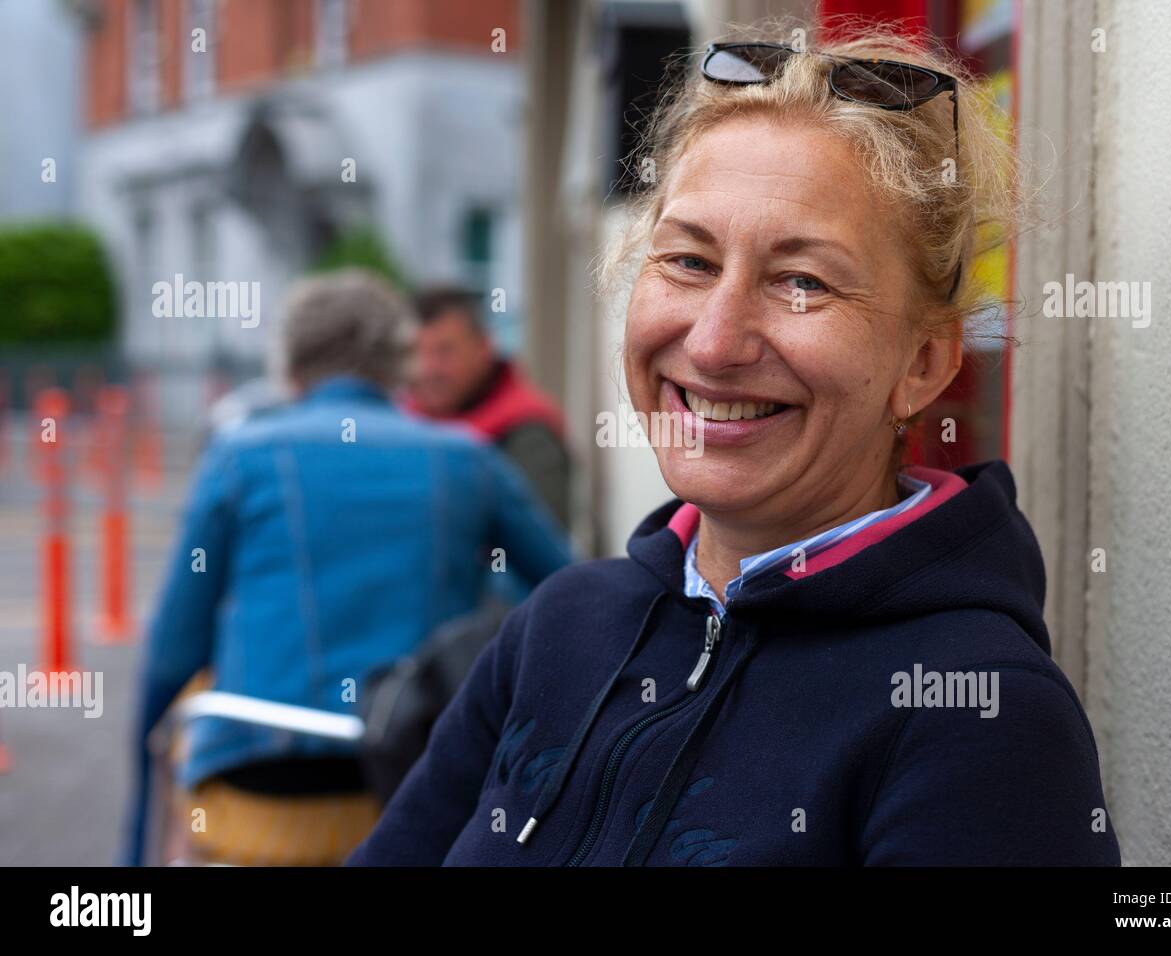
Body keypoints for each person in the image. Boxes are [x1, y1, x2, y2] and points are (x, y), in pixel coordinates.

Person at [348, 24, 1121, 866]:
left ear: (924, 363)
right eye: (687, 260)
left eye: (802, 281)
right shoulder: (559, 627)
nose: (715, 343)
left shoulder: (980, 713)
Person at [121, 269, 571, 866]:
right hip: (413, 795)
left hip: (261, 794)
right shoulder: (468, 458)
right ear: (399, 360)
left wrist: (131, 840)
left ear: (289, 364)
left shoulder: (239, 456)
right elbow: (567, 595)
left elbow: (174, 649)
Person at [403, 287, 571, 528]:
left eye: (445, 351)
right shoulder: (397, 423)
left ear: (484, 347)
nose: (429, 369)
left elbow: (542, 546)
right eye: (416, 353)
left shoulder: (528, 433)